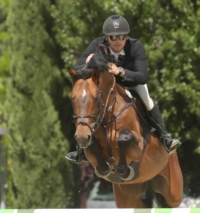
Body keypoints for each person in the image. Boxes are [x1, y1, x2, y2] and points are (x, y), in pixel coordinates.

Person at [65, 15, 181, 164]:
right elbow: (77, 71)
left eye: (122, 37)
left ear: (126, 36)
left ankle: (165, 137)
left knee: (147, 100)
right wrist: (87, 63)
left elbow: (142, 76)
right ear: (107, 37)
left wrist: (120, 71)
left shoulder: (136, 46)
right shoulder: (97, 44)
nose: (118, 41)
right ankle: (81, 150)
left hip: (131, 82)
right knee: (87, 102)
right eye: (113, 37)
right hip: (108, 86)